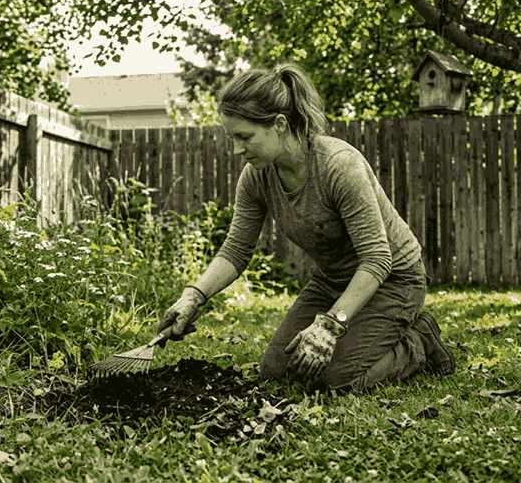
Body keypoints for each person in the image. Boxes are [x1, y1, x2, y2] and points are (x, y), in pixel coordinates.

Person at [157, 62, 455, 392]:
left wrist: (331, 325)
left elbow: (377, 260)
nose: (237, 149)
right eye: (232, 138)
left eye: (245, 137)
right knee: (276, 371)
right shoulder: (258, 176)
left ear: (280, 124)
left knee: (336, 380)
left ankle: (420, 343)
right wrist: (192, 297)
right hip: (332, 281)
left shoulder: (339, 166)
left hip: (393, 281)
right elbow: (236, 250)